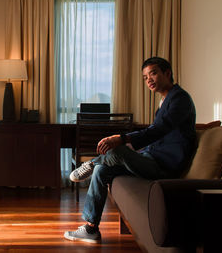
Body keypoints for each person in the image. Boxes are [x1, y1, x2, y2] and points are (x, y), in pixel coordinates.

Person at [63, 57, 196, 244]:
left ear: (167, 73)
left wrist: (122, 138)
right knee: (103, 170)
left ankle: (92, 163)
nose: (149, 79)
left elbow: (159, 130)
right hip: (151, 158)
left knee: (118, 151)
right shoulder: (165, 101)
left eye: (153, 73)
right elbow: (157, 136)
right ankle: (91, 228)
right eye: (145, 77)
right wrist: (132, 147)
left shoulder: (180, 99)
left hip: (165, 167)